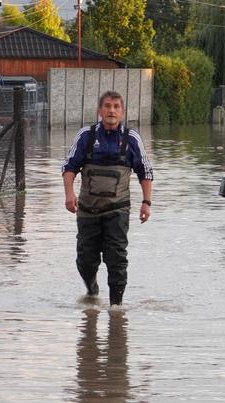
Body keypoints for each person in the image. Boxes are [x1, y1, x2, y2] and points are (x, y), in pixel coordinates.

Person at [62, 90, 153, 306]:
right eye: (107, 106)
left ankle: (116, 308)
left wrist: (146, 203)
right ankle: (92, 290)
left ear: (122, 112)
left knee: (117, 260)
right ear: (100, 111)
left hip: (117, 211)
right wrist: (69, 194)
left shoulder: (131, 138)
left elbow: (145, 172)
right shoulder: (86, 135)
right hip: (87, 210)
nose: (111, 111)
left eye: (116, 107)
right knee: (85, 259)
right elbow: (69, 166)